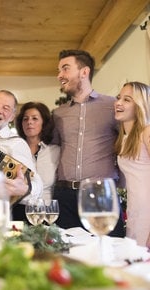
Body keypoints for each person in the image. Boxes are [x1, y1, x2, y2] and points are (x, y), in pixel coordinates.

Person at [52, 50, 125, 237]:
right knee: (67, 256)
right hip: (64, 195)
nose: (60, 75)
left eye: (65, 69)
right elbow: (52, 152)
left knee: (108, 253)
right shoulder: (58, 114)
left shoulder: (113, 106)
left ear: (84, 72)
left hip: (101, 194)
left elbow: (127, 146)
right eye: (59, 70)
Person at [0, 90, 43, 221]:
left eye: (6, 108)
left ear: (12, 116)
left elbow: (37, 183)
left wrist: (24, 189)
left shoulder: (16, 144)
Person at [114, 81, 150, 246]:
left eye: (127, 100)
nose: (118, 103)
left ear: (140, 105)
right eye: (119, 98)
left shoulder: (147, 132)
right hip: (135, 213)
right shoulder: (124, 139)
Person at [15, 101, 60, 203]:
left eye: (34, 118)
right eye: (25, 119)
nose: (29, 122)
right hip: (18, 208)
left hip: (46, 210)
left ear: (44, 122)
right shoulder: (14, 149)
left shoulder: (56, 151)